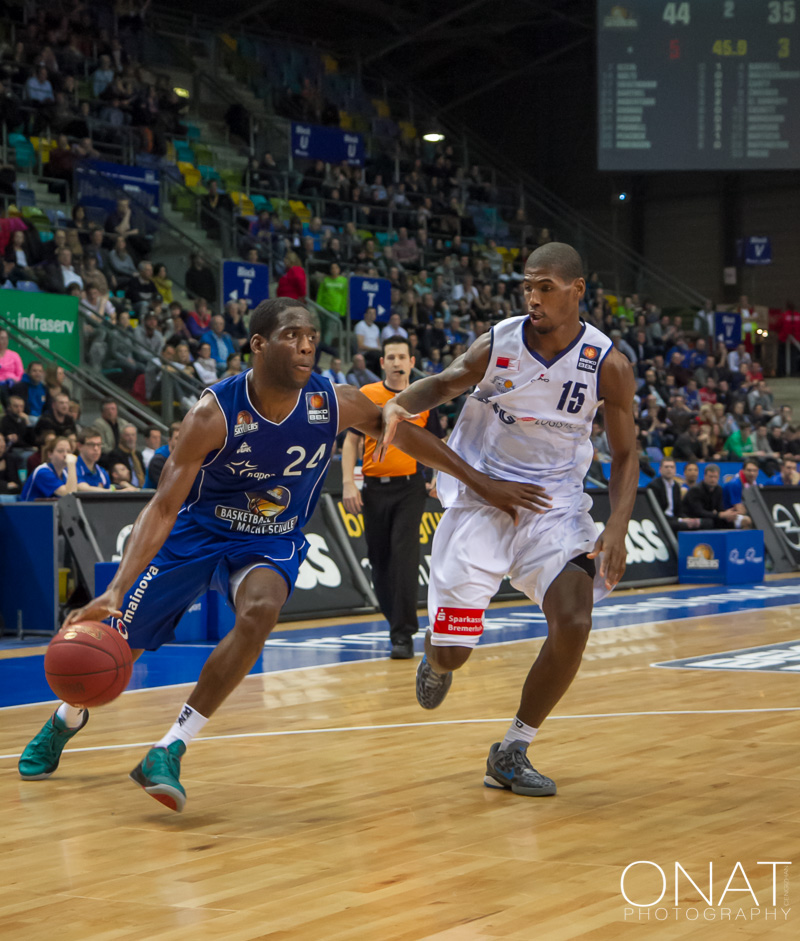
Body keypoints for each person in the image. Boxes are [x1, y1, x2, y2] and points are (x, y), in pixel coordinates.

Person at [18, 298, 544, 810]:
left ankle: (170, 747)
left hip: (271, 538)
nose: (305, 346)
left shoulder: (332, 401)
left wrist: (481, 482)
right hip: (200, 532)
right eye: (292, 336)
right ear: (258, 344)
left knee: (262, 610)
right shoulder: (213, 413)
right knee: (117, 649)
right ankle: (66, 718)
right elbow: (161, 509)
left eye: (312, 338)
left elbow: (404, 434)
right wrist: (114, 590)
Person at [379, 242, 638, 797]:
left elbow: (626, 453)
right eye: (527, 286)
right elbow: (445, 383)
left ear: (577, 290)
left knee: (574, 619)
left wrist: (615, 525)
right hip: (481, 498)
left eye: (545, 287)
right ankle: (438, 657)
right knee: (454, 652)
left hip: (553, 507)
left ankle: (513, 748)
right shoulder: (499, 341)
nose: (533, 297)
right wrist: (403, 405)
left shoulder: (607, 363)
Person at [342, 337, 440, 659]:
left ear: (412, 362)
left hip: (410, 487)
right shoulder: (368, 395)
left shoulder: (424, 396)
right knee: (380, 561)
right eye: (391, 357)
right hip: (373, 488)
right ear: (382, 363)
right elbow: (351, 443)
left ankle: (403, 634)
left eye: (402, 357)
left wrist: (439, 476)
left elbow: (437, 442)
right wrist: (348, 483)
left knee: (404, 557)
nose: (397, 363)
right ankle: (395, 622)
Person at [647, 458, 700, 531]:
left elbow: (678, 510)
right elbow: (656, 511)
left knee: (699, 523)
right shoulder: (654, 486)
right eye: (666, 467)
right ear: (660, 469)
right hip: (660, 519)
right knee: (682, 525)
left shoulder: (676, 486)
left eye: (672, 467)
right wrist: (679, 520)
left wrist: (686, 519)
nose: (669, 469)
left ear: (675, 470)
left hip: (674, 519)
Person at [683, 464, 741, 529]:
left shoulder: (718, 489)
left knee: (728, 522)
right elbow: (698, 512)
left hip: (707, 516)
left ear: (719, 477)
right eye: (710, 477)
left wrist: (727, 514)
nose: (713, 479)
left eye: (715, 477)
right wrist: (719, 515)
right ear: (705, 476)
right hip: (691, 517)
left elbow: (719, 508)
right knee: (709, 522)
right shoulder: (696, 490)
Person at [20, 436, 78, 500]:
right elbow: (69, 494)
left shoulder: (65, 473)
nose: (66, 455)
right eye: (60, 451)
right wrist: (71, 465)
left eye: (69, 451)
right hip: (30, 509)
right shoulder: (43, 472)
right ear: (50, 454)